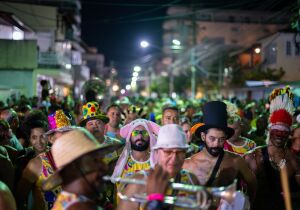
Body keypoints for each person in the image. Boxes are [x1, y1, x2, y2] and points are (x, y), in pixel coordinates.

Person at [183, 101, 257, 207]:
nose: (217, 144)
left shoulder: (236, 161)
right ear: (203, 137)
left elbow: (252, 183)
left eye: (221, 139)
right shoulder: (188, 164)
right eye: (212, 138)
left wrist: (247, 204)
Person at [117, 124, 199, 210]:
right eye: (168, 152)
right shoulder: (138, 183)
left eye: (179, 152)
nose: (174, 158)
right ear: (157, 152)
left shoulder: (191, 179)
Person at [244, 87, 300, 210]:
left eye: (284, 132)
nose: (280, 135)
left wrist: (290, 195)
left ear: (289, 135)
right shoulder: (253, 156)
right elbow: (243, 190)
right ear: (269, 130)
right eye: (276, 131)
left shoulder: (294, 160)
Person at [42, 127, 122, 210]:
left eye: (101, 159)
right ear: (74, 169)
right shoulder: (81, 207)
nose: (105, 166)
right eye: (95, 160)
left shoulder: (68, 201)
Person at [16, 109, 73, 210]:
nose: (66, 137)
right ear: (51, 138)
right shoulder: (36, 163)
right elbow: (19, 198)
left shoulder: (76, 159)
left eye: (69, 133)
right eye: (62, 134)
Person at [112, 119, 160, 194]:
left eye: (144, 132)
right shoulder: (117, 164)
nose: (140, 136)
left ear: (150, 136)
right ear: (129, 136)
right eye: (135, 133)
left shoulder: (158, 164)